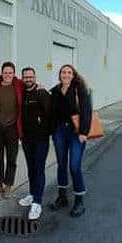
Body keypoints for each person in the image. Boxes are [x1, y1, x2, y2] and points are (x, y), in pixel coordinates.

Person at [48, 64, 92, 217]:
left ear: (73, 75)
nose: (66, 74)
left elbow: (87, 111)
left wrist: (84, 132)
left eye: (69, 72)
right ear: (59, 75)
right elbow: (51, 112)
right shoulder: (54, 91)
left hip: (76, 133)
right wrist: (52, 131)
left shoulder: (80, 90)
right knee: (61, 165)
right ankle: (62, 197)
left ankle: (79, 201)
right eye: (63, 72)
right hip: (59, 131)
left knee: (74, 166)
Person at [18, 67, 53, 220]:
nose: (28, 79)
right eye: (25, 77)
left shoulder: (42, 93)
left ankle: (37, 203)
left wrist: (45, 132)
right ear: (22, 78)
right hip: (26, 139)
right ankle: (32, 194)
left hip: (40, 140)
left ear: (35, 77)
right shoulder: (21, 93)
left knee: (39, 169)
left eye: (31, 77)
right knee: (31, 168)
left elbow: (50, 116)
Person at [0, 62, 24, 199]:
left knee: (12, 158)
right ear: (1, 73)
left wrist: (40, 87)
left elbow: (32, 85)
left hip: (13, 128)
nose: (8, 75)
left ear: (14, 74)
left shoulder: (19, 86)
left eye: (10, 72)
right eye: (5, 72)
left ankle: (8, 185)